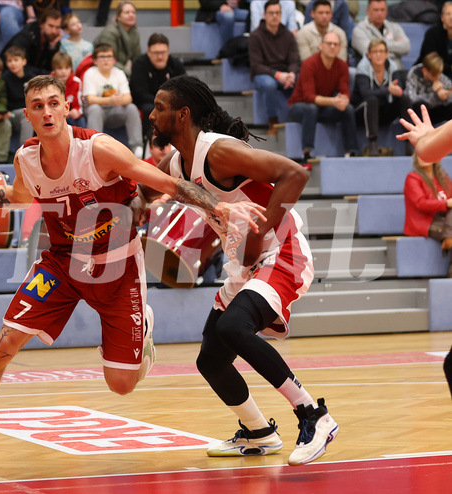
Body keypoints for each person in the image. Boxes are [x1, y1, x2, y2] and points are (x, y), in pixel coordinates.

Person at [0, 74, 266, 475]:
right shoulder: (26, 159)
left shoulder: (98, 149)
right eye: (38, 106)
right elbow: (18, 196)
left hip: (118, 266)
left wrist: (217, 208)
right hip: (62, 264)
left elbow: (166, 183)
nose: (47, 112)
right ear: (27, 114)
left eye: (54, 103)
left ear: (67, 106)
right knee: (5, 342)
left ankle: (143, 332)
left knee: (121, 384)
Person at [143, 73, 338, 466]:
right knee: (211, 359)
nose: (151, 114)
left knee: (234, 327)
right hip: (245, 263)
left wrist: (256, 234)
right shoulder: (174, 161)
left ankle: (314, 415)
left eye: (159, 108)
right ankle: (259, 433)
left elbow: (295, 174)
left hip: (281, 250)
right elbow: (141, 193)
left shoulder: (217, 152)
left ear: (182, 115)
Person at [397, 104, 452, 398]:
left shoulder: (441, 174)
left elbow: (428, 150)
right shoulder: (414, 177)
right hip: (426, 224)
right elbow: (422, 205)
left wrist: (429, 138)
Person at [288, 31, 358, 162]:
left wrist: (344, 100)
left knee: (347, 109)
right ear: (321, 46)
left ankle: (351, 152)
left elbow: (345, 91)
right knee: (311, 108)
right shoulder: (309, 63)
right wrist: (334, 101)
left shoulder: (342, 65)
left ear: (339, 48)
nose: (332, 47)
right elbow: (309, 97)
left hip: (322, 107)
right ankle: (306, 153)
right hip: (299, 106)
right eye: (329, 43)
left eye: (335, 44)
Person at [248, 0, 299, 136]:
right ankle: (273, 121)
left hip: (285, 74)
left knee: (302, 79)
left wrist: (292, 73)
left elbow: (294, 59)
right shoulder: (255, 36)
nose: (275, 16)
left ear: (282, 15)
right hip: (264, 74)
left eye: (277, 13)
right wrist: (277, 74)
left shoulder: (288, 35)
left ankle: (298, 118)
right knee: (269, 84)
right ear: (264, 15)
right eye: (271, 13)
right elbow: (256, 65)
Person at [83, 44, 144, 158]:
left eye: (109, 56)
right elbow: (90, 99)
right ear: (95, 60)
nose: (106, 60)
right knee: (95, 109)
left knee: (131, 108)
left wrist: (118, 100)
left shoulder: (119, 73)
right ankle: (93, 147)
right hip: (97, 112)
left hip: (115, 111)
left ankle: (137, 149)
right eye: (102, 57)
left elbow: (128, 98)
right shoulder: (90, 73)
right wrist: (111, 100)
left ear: (114, 60)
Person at [353, 39, 404, 157]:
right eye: (375, 52)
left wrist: (397, 90)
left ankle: (410, 143)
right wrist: (388, 90)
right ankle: (373, 142)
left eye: (381, 51)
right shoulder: (362, 68)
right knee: (372, 100)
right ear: (369, 55)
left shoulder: (392, 66)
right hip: (362, 113)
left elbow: (399, 87)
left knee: (404, 99)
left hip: (383, 112)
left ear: (387, 54)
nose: (378, 55)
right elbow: (365, 93)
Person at [130, 32, 186, 141]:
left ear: (168, 51)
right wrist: (163, 103)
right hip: (148, 103)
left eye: (163, 52)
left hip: (172, 102)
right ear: (149, 52)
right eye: (156, 53)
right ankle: (151, 142)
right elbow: (139, 93)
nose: (160, 56)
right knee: (150, 110)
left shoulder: (176, 64)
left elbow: (184, 89)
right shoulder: (139, 64)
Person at [0, 8, 63, 75]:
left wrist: (52, 47)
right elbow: (20, 66)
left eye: (57, 27)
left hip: (33, 76)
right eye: (51, 26)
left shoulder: (54, 40)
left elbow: (50, 67)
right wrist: (45, 73)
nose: (54, 31)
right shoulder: (26, 36)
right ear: (41, 24)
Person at [352, 0, 410, 71]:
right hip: (371, 73)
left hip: (397, 71)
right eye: (376, 10)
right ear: (368, 11)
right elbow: (368, 51)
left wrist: (378, 48)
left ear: (386, 11)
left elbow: (406, 47)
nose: (379, 13)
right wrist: (395, 50)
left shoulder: (395, 27)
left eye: (382, 10)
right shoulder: (359, 30)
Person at [404, 52, 452, 128]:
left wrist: (445, 96)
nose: (437, 77)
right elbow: (412, 99)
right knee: (420, 105)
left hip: (435, 112)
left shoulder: (438, 75)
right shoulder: (414, 73)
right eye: (434, 75)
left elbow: (449, 90)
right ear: (425, 71)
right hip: (419, 115)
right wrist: (435, 95)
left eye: (439, 74)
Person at [93, 1, 140, 78]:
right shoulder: (109, 32)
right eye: (127, 12)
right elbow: (107, 59)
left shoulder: (135, 33)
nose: (131, 15)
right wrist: (130, 73)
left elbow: (137, 59)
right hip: (104, 70)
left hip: (121, 70)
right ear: (118, 17)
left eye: (133, 12)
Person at [1, 46, 37, 147]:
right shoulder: (4, 79)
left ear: (24, 61)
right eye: (9, 61)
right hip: (11, 115)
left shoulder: (31, 78)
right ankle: (26, 150)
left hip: (31, 113)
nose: (12, 63)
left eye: (16, 60)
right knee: (26, 114)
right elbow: (1, 100)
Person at [417, 2, 452, 81]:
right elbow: (431, 62)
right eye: (448, 14)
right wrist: (450, 68)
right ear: (442, 17)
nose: (451, 17)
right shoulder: (432, 34)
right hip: (429, 74)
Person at [52, 51, 85, 128]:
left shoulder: (76, 82)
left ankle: (85, 139)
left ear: (71, 69)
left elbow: (79, 104)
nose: (63, 71)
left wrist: (76, 111)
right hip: (53, 115)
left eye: (67, 68)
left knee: (81, 121)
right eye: (60, 68)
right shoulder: (48, 82)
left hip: (70, 115)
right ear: (54, 70)